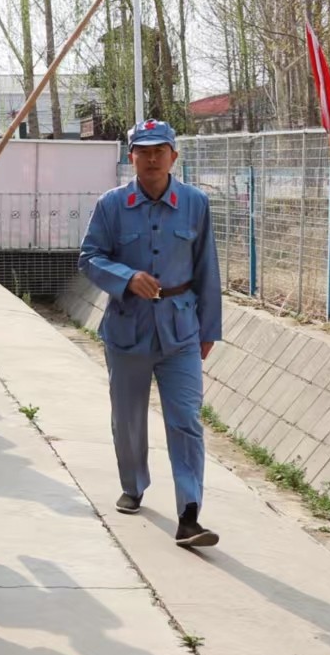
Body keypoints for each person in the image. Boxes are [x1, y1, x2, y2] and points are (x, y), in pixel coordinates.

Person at [76, 119, 222, 548]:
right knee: (128, 419)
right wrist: (125, 277)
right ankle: (134, 484)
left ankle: (189, 513)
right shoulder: (111, 205)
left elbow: (206, 270)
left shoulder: (195, 204)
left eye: (161, 150)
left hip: (180, 331)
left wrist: (208, 329)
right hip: (128, 328)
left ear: (174, 156)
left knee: (187, 421)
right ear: (131, 157)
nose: (153, 157)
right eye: (144, 150)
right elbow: (89, 257)